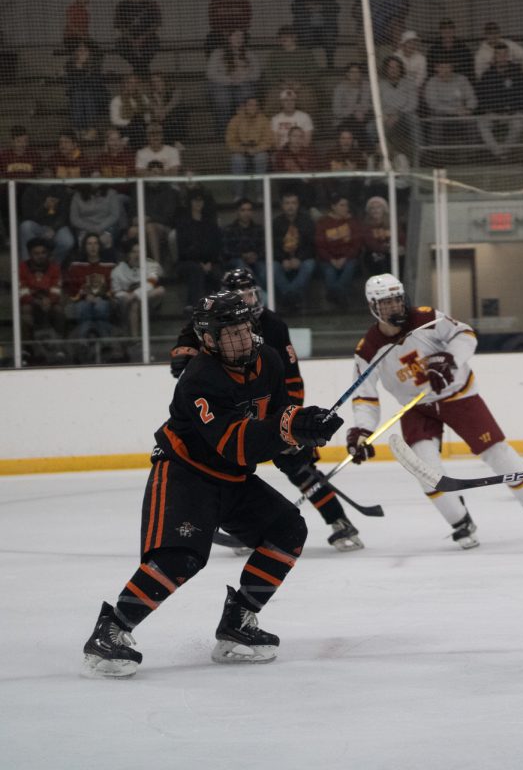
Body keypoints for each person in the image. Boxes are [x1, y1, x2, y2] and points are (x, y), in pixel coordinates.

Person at [81, 290, 343, 678]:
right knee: (180, 557)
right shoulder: (200, 378)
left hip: (233, 478)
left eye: (243, 330)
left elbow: (280, 414)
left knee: (287, 528)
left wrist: (307, 427)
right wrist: (291, 429)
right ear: (207, 339)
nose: (239, 340)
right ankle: (112, 629)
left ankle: (238, 622)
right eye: (229, 334)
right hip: (185, 475)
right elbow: (235, 444)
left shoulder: (268, 359)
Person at [347, 274, 523, 548]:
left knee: (498, 453)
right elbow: (364, 395)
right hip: (416, 408)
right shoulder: (368, 349)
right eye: (386, 304)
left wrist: (449, 360)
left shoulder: (427, 318)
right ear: (374, 307)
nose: (394, 307)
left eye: (397, 300)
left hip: (457, 395)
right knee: (424, 470)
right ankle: (460, 521)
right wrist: (363, 430)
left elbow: (465, 334)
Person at [169, 269, 365, 551]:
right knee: (222, 465)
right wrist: (182, 352)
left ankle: (339, 522)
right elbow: (189, 338)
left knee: (298, 466)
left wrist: (295, 422)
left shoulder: (272, 325)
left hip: (267, 403)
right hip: (228, 407)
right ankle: (241, 524)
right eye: (241, 295)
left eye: (251, 293)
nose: (247, 301)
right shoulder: (213, 319)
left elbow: (292, 378)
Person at [315, 195, 365, 307]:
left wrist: (345, 258)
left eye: (347, 205)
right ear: (333, 206)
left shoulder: (352, 222)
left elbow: (357, 244)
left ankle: (335, 294)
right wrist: (331, 259)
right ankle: (340, 296)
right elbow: (320, 245)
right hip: (328, 259)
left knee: (350, 267)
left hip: (348, 258)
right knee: (329, 272)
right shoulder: (323, 223)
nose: (346, 208)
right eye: (342, 205)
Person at [271, 191, 318, 312]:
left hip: (301, 259)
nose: (290, 206)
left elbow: (311, 245)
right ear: (282, 205)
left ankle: (288, 297)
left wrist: (299, 259)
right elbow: (272, 246)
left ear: (298, 205)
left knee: (309, 265)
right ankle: (293, 297)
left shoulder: (307, 222)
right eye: (287, 203)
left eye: (293, 203)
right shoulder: (276, 223)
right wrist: (283, 260)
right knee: (272, 268)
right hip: (282, 260)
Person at [110, 242, 165, 335]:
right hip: (126, 303)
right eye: (134, 252)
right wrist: (128, 296)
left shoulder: (151, 264)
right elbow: (115, 292)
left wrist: (135, 294)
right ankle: (135, 340)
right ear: (128, 254)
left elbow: (151, 283)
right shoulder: (117, 270)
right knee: (134, 304)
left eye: (140, 252)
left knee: (160, 290)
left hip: (148, 302)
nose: (137, 255)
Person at [112, 0, 161, 76]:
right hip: (128, 38)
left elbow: (156, 24)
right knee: (119, 44)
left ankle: (138, 70)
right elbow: (120, 25)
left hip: (148, 37)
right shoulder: (121, 5)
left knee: (155, 42)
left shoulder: (151, 3)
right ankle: (141, 68)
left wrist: (142, 38)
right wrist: (131, 40)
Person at [291, 0, 340, 68]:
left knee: (330, 38)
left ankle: (330, 65)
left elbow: (337, 8)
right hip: (307, 31)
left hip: (325, 30)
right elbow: (293, 9)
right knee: (305, 40)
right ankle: (307, 65)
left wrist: (322, 8)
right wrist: (306, 8)